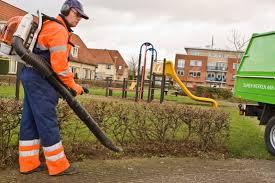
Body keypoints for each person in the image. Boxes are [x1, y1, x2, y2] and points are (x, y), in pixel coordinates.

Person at [19, 0, 89, 176]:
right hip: (41, 79)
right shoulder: (58, 30)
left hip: (31, 75)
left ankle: (28, 163)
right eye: (76, 14)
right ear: (66, 10)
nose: (79, 18)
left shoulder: (51, 25)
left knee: (30, 120)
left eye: (81, 16)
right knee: (47, 121)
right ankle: (58, 165)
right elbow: (60, 66)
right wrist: (73, 86)